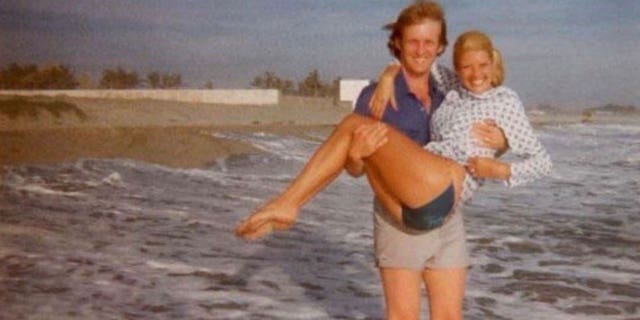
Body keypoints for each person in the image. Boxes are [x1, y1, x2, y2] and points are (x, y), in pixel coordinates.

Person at [236, 3, 551, 320]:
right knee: (403, 315)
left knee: (450, 316)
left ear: (440, 47)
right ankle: (288, 204)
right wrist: (360, 149)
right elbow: (355, 167)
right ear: (398, 43)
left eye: (429, 43)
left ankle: (290, 202)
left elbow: (510, 138)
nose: (421, 50)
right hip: (403, 211)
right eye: (413, 41)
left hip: (448, 210)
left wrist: (503, 149)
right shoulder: (378, 96)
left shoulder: (449, 89)